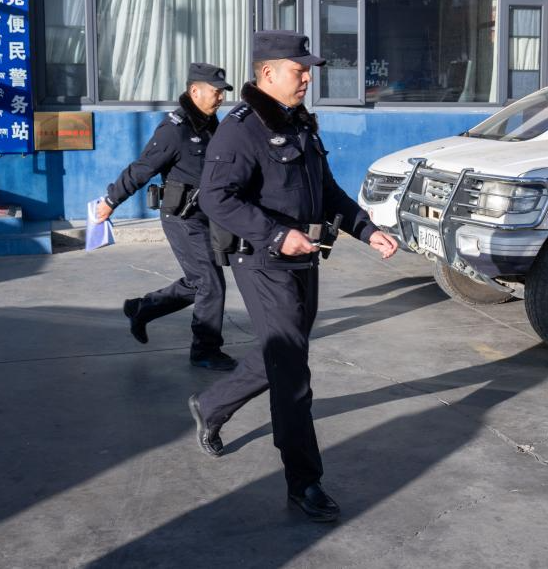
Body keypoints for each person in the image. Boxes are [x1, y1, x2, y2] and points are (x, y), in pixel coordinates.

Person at [188, 31, 398, 522]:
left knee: (282, 355)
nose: (307, 78)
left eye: (308, 70)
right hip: (263, 262)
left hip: (305, 260)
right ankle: (304, 482)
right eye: (298, 70)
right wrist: (277, 236)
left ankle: (212, 405)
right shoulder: (241, 128)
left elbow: (327, 191)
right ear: (267, 73)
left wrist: (367, 230)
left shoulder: (299, 124)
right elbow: (216, 197)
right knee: (293, 374)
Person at [96, 63, 237, 371]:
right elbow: (141, 168)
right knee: (210, 283)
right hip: (182, 218)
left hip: (206, 215)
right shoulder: (174, 129)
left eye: (222, 93)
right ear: (194, 91)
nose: (220, 98)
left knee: (199, 282)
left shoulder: (210, 124)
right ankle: (205, 350)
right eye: (215, 92)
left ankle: (142, 308)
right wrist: (110, 200)